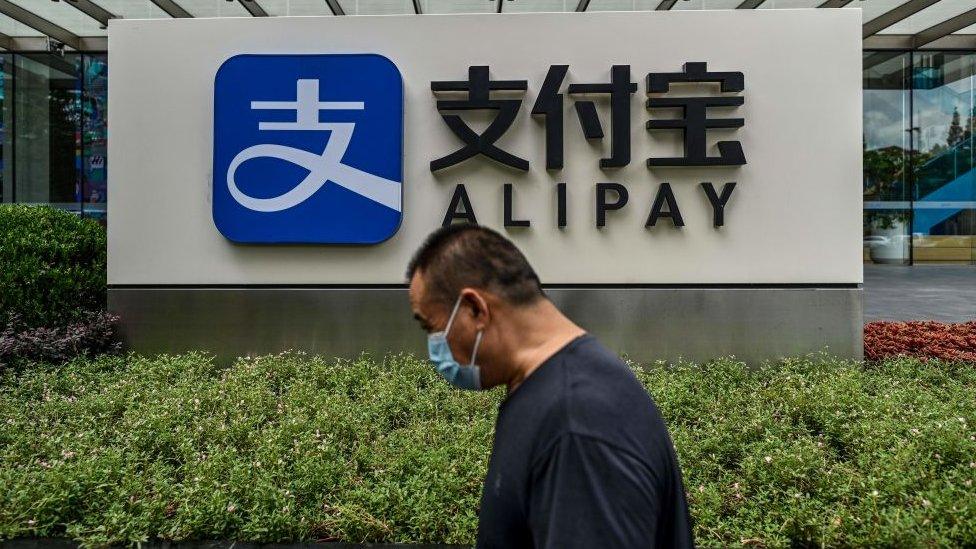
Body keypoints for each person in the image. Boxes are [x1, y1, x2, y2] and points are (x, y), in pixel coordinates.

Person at [406, 224, 694, 549]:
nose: (434, 348)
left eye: (433, 328)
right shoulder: (548, 390)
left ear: (475, 309)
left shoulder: (579, 422)